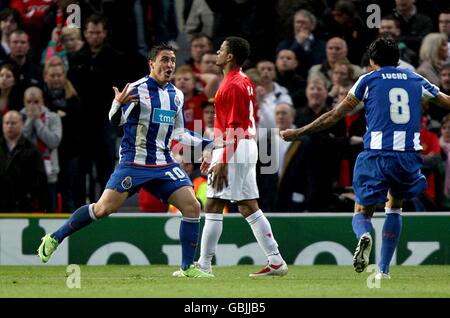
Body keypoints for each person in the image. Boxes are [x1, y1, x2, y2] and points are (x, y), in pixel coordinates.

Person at [37, 43, 213, 278]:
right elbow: (115, 121)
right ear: (152, 63)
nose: (169, 65)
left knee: (192, 206)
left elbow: (180, 133)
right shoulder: (137, 89)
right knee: (102, 209)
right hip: (134, 163)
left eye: (172, 60)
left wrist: (208, 144)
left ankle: (187, 268)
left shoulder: (176, 95)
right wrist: (118, 104)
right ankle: (54, 238)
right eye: (164, 60)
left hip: (163, 163)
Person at [280, 36, 450, 279]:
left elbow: (334, 115)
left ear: (371, 60)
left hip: (377, 155)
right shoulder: (415, 79)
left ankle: (365, 235)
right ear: (398, 59)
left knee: (362, 210)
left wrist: (300, 132)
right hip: (408, 157)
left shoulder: (368, 79)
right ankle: (383, 270)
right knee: (395, 207)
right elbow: (445, 101)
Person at [192, 36, 288, 277]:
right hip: (244, 146)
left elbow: (234, 126)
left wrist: (222, 159)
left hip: (234, 148)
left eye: (221, 49)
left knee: (213, 203)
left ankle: (204, 265)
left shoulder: (232, 85)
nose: (217, 51)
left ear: (230, 56)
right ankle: (276, 260)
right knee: (248, 206)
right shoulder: (242, 80)